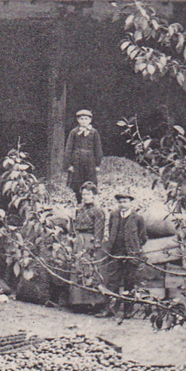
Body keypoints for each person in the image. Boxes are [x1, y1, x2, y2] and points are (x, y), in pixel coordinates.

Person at [98, 191, 148, 319]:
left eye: (125, 202)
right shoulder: (114, 215)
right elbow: (110, 231)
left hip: (131, 254)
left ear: (131, 203)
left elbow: (143, 237)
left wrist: (134, 247)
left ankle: (128, 310)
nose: (122, 204)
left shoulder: (138, 218)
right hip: (116, 252)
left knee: (129, 281)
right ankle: (110, 309)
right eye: (120, 202)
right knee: (112, 281)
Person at [69, 182, 107, 311]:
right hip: (79, 241)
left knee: (90, 270)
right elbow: (74, 227)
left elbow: (99, 230)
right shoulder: (79, 209)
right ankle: (78, 302)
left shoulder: (98, 211)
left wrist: (95, 245)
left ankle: (94, 303)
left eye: (88, 194)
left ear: (94, 195)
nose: (85, 197)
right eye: (83, 194)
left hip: (90, 242)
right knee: (78, 268)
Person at [65, 109, 104, 204]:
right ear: (78, 120)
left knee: (90, 181)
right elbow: (69, 149)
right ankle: (79, 201)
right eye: (81, 119)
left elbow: (98, 148)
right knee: (77, 182)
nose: (84, 121)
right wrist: (69, 164)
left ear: (90, 120)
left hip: (90, 161)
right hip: (77, 161)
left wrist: (97, 164)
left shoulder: (94, 132)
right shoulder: (74, 132)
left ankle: (90, 201)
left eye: (86, 119)